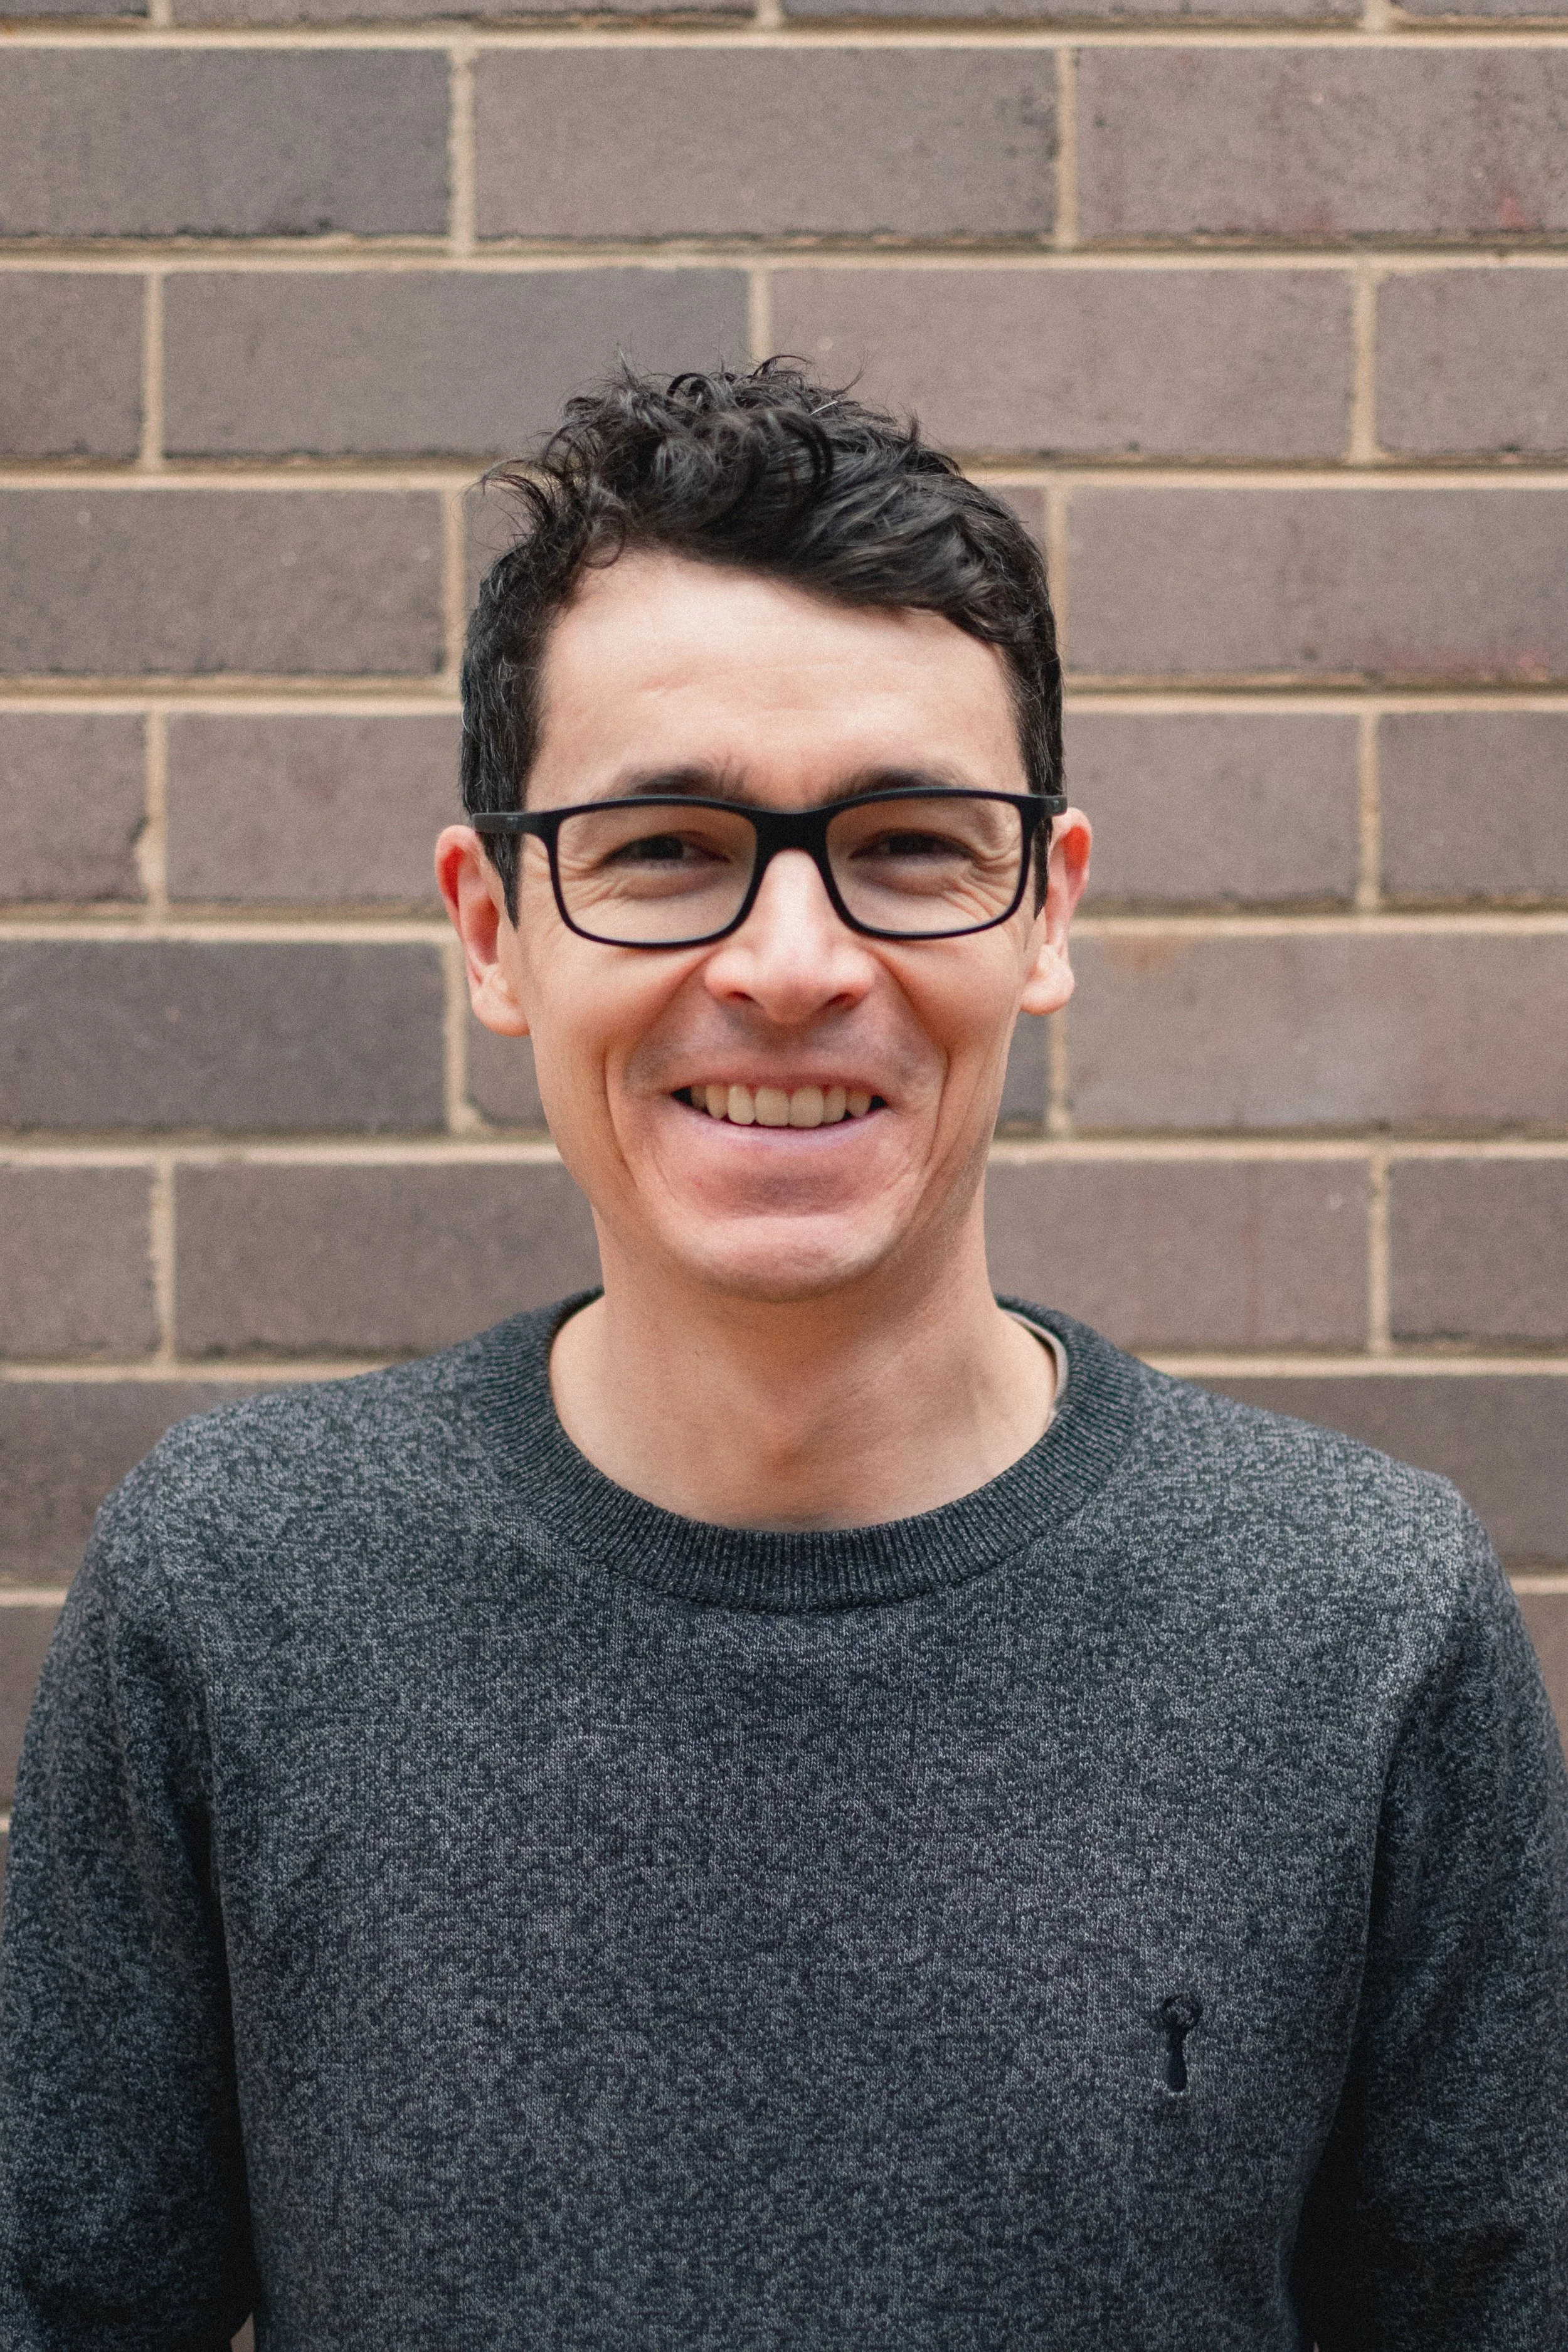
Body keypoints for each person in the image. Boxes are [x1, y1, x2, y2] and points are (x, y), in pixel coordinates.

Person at [1, 363, 1564, 2349]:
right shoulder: (234, 1589)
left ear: (1044, 912)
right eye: (664, 847)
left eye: (909, 841)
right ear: (493, 931)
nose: (793, 960)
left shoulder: (1361, 1620)